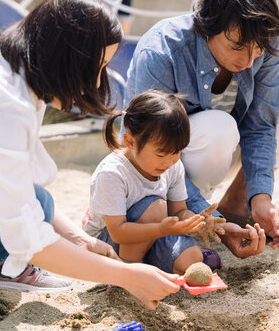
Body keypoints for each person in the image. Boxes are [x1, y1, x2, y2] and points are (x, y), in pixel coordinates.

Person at [0, 0, 180, 331]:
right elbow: (25, 232)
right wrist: (127, 275)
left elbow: (28, 187)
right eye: (95, 68)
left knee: (41, 202)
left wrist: (81, 240)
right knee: (14, 215)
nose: (96, 82)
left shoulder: (15, 75)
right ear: (66, 57)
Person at [124, 0, 279, 259]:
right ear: (208, 28)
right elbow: (143, 144)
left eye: (257, 50)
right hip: (166, 162)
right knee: (219, 127)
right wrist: (212, 220)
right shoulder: (162, 50)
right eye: (237, 46)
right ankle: (197, 209)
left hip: (226, 149)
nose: (247, 61)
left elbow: (261, 126)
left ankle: (238, 202)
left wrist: (262, 199)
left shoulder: (264, 43)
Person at [83, 89, 225, 274]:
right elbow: (118, 231)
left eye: (177, 152)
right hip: (108, 245)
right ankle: (128, 277)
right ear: (130, 142)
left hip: (153, 234)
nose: (169, 161)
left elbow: (178, 211)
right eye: (160, 154)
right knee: (156, 207)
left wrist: (196, 221)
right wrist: (160, 228)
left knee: (192, 258)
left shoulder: (172, 165)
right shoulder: (112, 173)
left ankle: (149, 265)